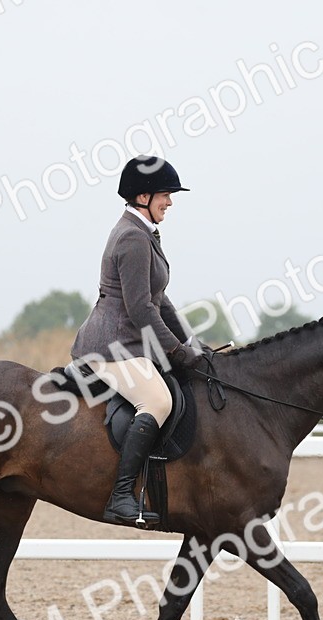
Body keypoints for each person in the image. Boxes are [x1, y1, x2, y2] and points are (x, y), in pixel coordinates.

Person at [70, 155, 205, 526]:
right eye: (166, 194)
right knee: (157, 400)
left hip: (129, 343)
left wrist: (194, 344)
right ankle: (120, 497)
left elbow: (161, 302)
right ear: (143, 196)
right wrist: (177, 352)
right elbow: (142, 310)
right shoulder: (132, 236)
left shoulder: (143, 232)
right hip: (111, 346)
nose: (171, 202)